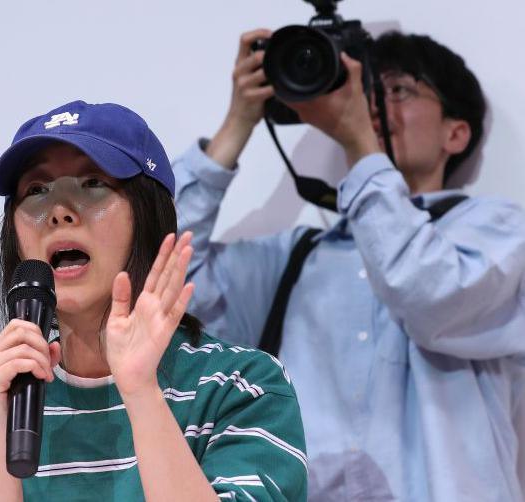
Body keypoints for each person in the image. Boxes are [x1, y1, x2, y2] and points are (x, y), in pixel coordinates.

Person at [174, 28, 525, 500]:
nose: (375, 104)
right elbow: (160, 278)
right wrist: (238, 123)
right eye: (367, 91)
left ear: (455, 133)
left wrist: (362, 142)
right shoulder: (296, 259)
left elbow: (430, 295)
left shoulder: (497, 231)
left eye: (398, 90)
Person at [0, 100, 307, 501]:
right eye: (36, 190)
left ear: (151, 218)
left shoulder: (240, 388)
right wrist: (1, 434)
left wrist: (142, 392)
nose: (60, 212)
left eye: (92, 184)